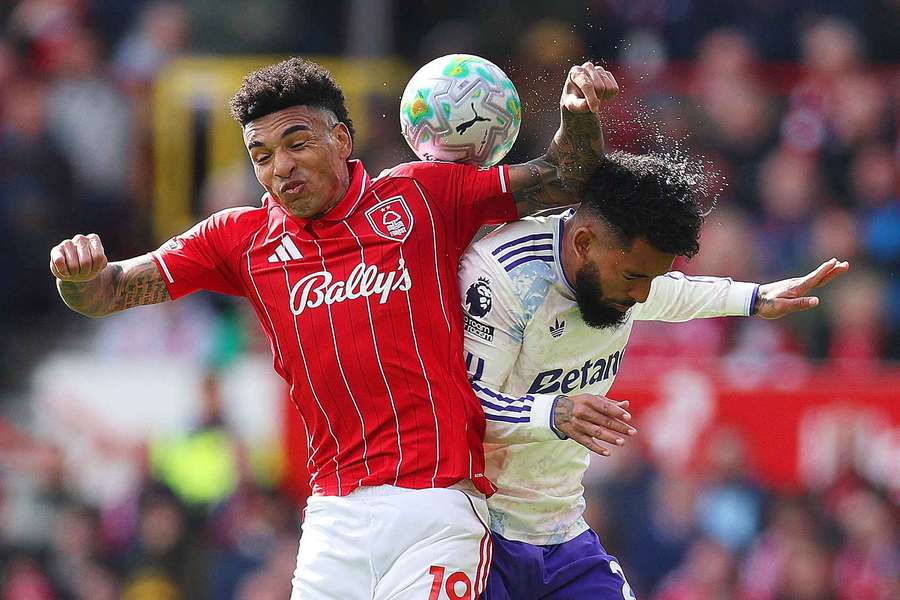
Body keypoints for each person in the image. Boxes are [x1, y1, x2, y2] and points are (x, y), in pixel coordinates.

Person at [48, 57, 620, 599]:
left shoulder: (420, 195)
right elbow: (106, 293)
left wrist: (579, 115)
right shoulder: (239, 240)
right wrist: (78, 276)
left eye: (297, 143)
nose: (280, 167)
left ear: (341, 140)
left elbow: (561, 177)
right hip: (331, 518)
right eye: (261, 155)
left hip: (437, 507)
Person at [458, 151, 849, 599]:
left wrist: (755, 298)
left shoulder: (615, 268)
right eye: (634, 277)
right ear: (583, 243)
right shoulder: (505, 279)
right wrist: (553, 412)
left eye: (652, 278)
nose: (642, 295)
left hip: (559, 531)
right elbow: (460, 406)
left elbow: (668, 293)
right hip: (477, 530)